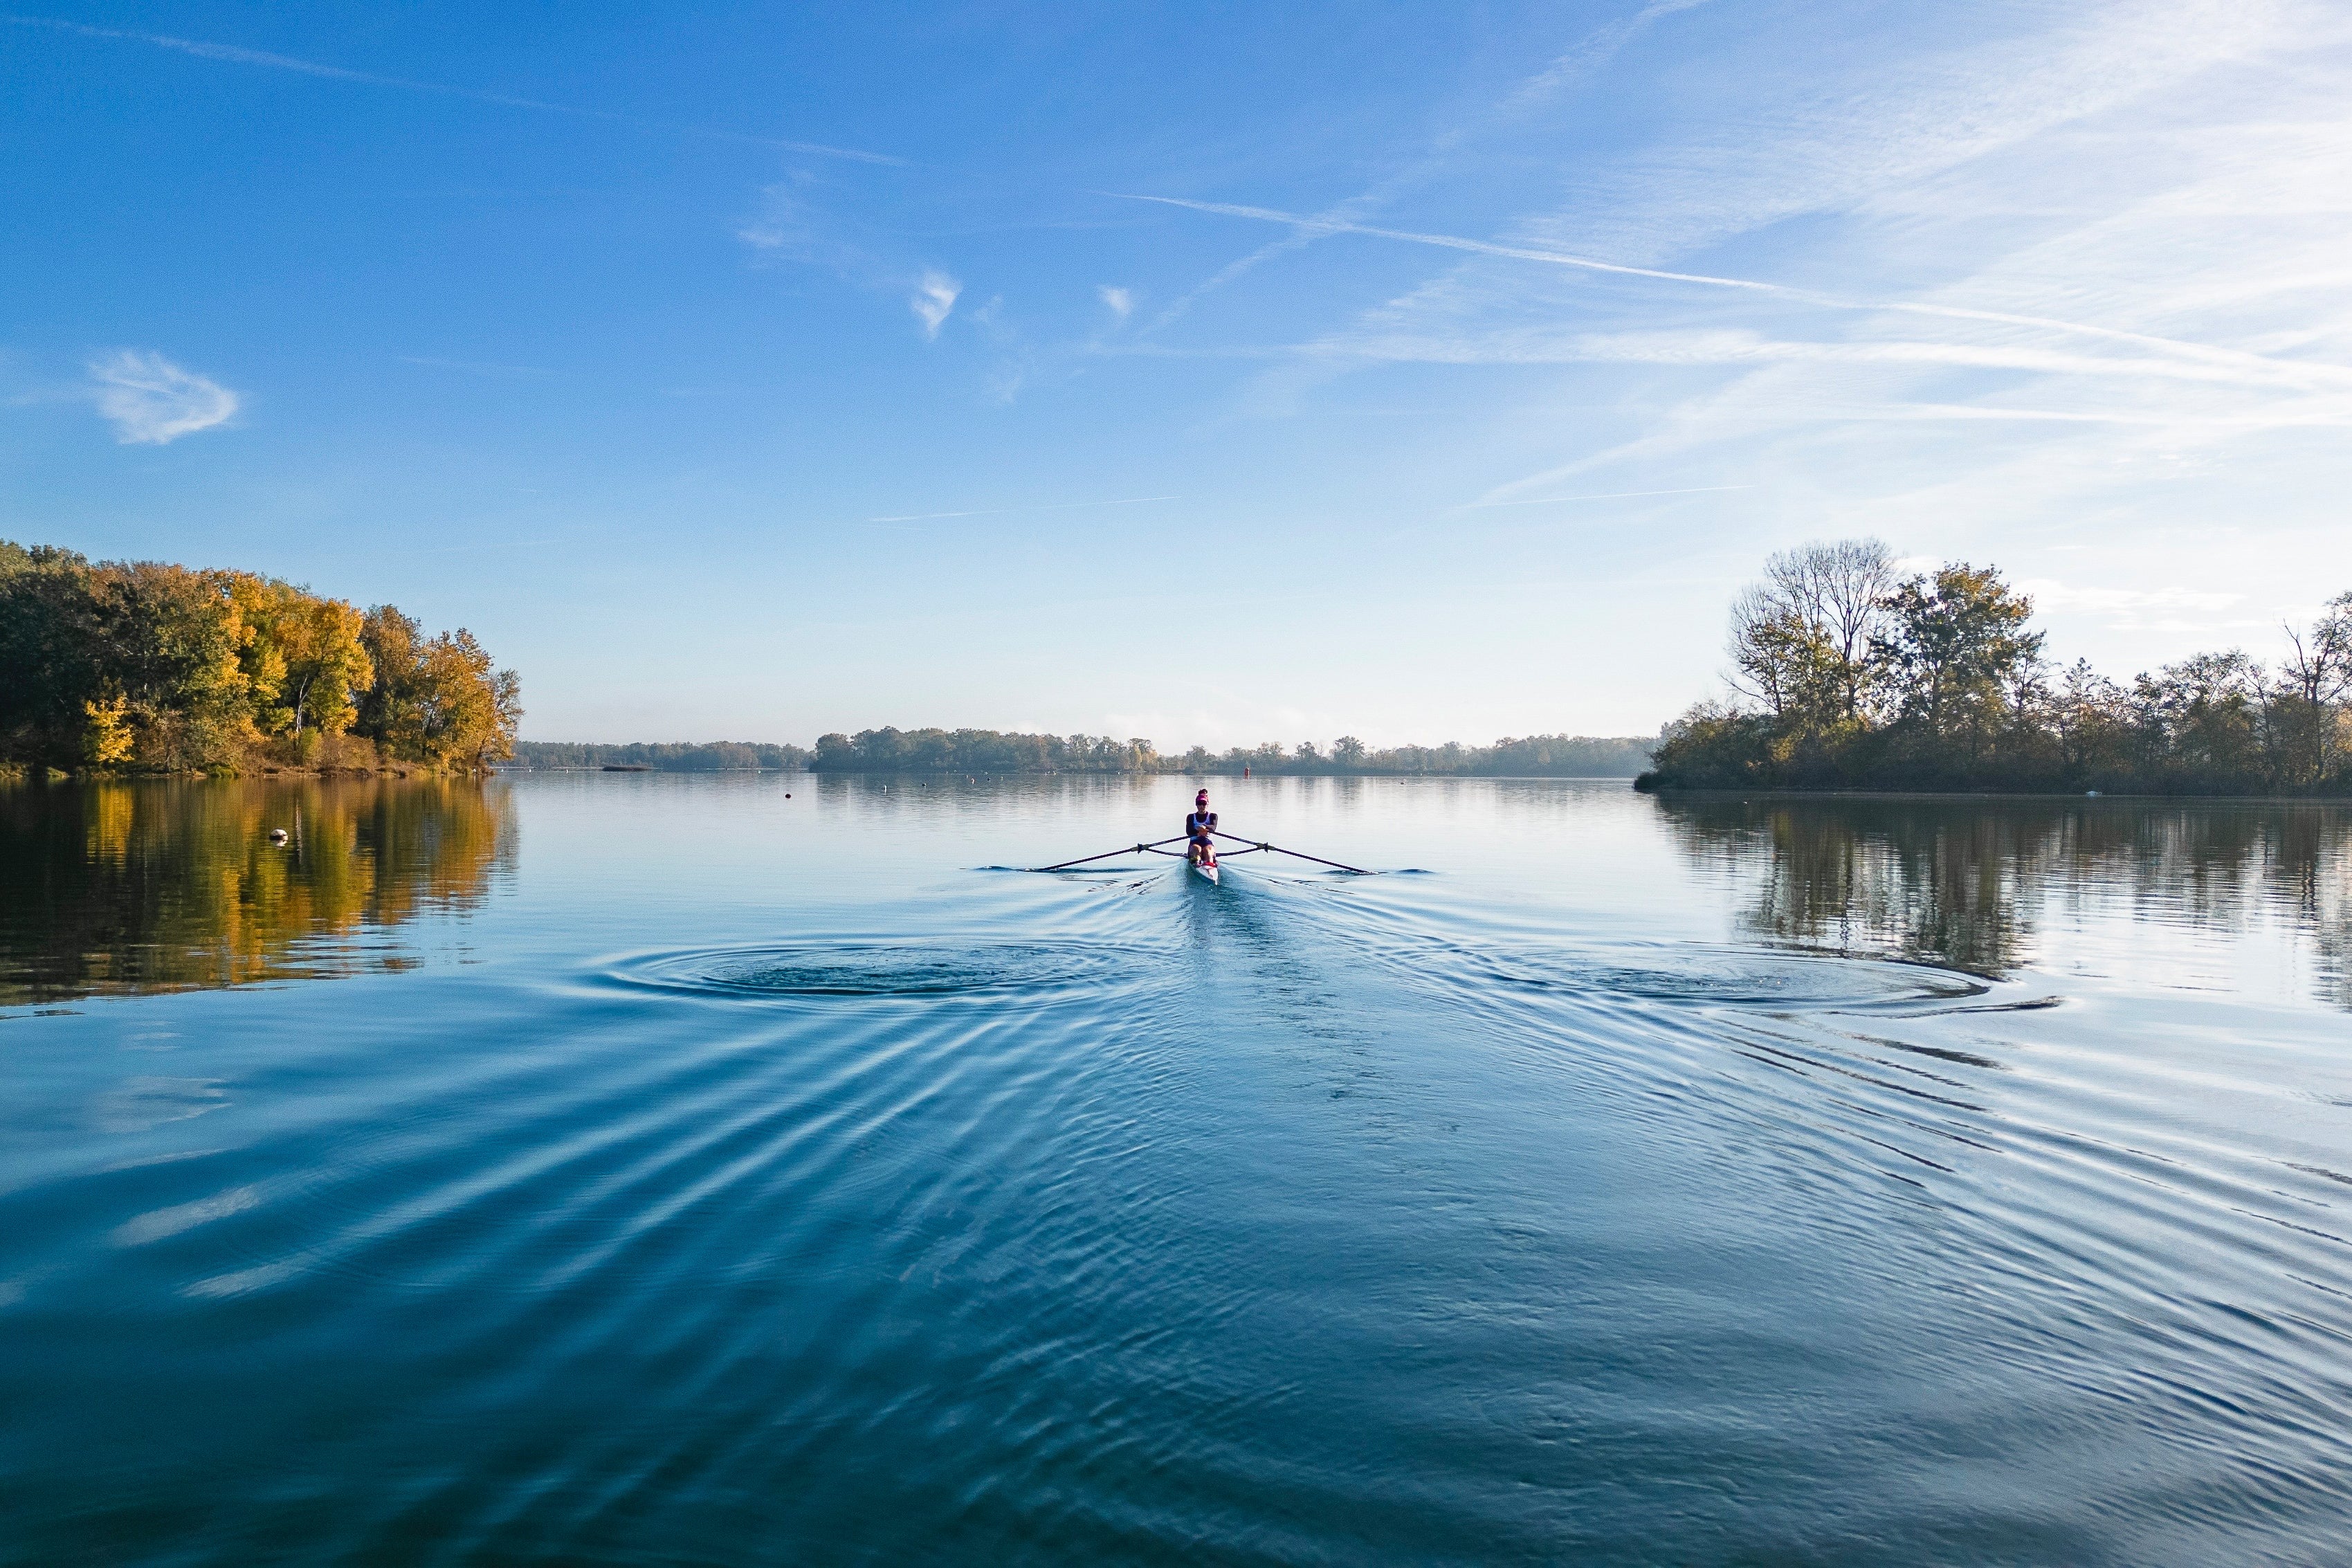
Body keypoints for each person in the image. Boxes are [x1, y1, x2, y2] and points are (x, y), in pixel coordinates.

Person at [1184, 789, 1218, 868]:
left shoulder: (1213, 816)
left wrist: (1204, 827)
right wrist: (1198, 830)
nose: (1202, 806)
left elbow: (1213, 828)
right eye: (1199, 804)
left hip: (1208, 843)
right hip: (1194, 843)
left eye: (1204, 803)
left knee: (1208, 851)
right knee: (1197, 850)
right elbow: (1189, 832)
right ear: (1196, 805)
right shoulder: (1191, 817)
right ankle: (1197, 862)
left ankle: (1209, 865)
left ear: (1207, 804)